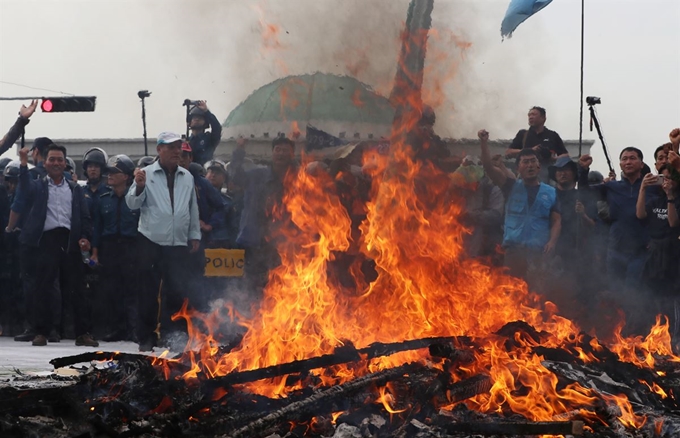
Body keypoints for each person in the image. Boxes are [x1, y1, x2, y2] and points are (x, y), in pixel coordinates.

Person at [126, 132, 201, 352]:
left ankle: (174, 337)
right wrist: (139, 186)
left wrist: (194, 234)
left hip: (177, 242)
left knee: (176, 291)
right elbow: (131, 203)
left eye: (179, 147)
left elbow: (192, 207)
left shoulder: (187, 176)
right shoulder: (145, 173)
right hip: (150, 240)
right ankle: (146, 337)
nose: (177, 151)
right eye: (171, 147)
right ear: (159, 150)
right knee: (147, 291)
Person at [17, 144, 98, 347]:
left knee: (77, 288)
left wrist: (86, 237)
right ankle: (41, 332)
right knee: (42, 288)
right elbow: (24, 188)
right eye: (51, 159)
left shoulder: (75, 188)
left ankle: (82, 333)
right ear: (44, 163)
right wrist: (23, 164)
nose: (55, 163)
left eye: (59, 159)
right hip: (47, 240)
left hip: (70, 240)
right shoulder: (38, 185)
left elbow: (85, 217)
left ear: (65, 163)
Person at [479, 129, 561, 291]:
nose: (530, 165)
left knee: (536, 296)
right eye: (525, 162)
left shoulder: (551, 192)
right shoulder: (509, 186)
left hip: (538, 253)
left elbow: (557, 220)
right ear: (518, 168)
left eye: (533, 161)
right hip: (514, 252)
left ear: (538, 166)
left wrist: (552, 241)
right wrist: (483, 143)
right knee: (512, 295)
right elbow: (488, 167)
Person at [578, 149, 649, 334]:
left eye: (633, 158)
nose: (628, 161)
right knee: (616, 292)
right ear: (619, 164)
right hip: (616, 249)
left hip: (641, 251)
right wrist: (583, 171)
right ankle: (617, 334)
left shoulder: (651, 186)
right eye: (624, 158)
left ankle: (636, 334)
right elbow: (585, 192)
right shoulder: (612, 187)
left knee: (635, 293)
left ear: (641, 163)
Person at [237, 136, 298, 297]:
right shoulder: (257, 175)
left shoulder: (299, 180)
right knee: (252, 287)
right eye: (277, 149)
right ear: (272, 153)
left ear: (292, 155)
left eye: (285, 150)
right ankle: (252, 320)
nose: (281, 153)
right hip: (255, 241)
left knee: (280, 288)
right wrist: (239, 151)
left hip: (283, 246)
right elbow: (235, 177)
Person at [91, 155, 140, 342]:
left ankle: (134, 329)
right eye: (109, 172)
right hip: (109, 248)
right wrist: (95, 253)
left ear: (126, 176)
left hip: (130, 247)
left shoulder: (136, 199)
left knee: (132, 290)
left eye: (114, 172)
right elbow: (97, 228)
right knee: (112, 291)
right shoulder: (103, 199)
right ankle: (116, 328)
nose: (109, 175)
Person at [636, 164, 680, 341]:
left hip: (673, 252)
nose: (666, 181)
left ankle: (675, 338)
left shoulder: (676, 199)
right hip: (654, 253)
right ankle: (653, 337)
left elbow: (673, 223)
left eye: (670, 177)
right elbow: (640, 215)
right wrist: (643, 188)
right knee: (651, 295)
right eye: (663, 177)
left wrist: (670, 197)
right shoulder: (654, 200)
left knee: (673, 298)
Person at [505, 106, 568, 183]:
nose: (530, 117)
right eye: (529, 115)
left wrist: (553, 158)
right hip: (526, 174)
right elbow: (508, 152)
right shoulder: (523, 134)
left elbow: (566, 155)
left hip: (547, 175)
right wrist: (530, 151)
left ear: (543, 118)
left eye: (534, 114)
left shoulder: (552, 135)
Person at [187, 101, 222, 165]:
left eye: (200, 118)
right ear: (189, 122)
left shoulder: (209, 139)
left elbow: (217, 128)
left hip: (203, 172)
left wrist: (206, 111)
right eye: (194, 117)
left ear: (205, 123)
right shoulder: (186, 141)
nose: (196, 119)